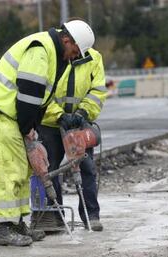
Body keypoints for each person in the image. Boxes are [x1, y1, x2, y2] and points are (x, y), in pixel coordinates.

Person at [0, 20, 95, 246]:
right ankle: (3, 228)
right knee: (9, 168)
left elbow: (40, 99)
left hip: (12, 115)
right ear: (67, 40)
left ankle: (17, 223)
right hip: (0, 112)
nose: (74, 56)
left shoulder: (54, 54)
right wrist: (28, 131)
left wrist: (31, 132)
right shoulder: (41, 49)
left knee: (23, 169)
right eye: (75, 50)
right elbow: (29, 96)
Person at [31, 20, 107, 232]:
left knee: (86, 167)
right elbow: (42, 92)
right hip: (50, 122)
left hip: (79, 122)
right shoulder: (50, 55)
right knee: (48, 168)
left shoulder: (94, 58)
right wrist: (58, 115)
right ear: (68, 42)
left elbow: (98, 91)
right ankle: (54, 218)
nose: (75, 55)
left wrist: (83, 112)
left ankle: (91, 215)